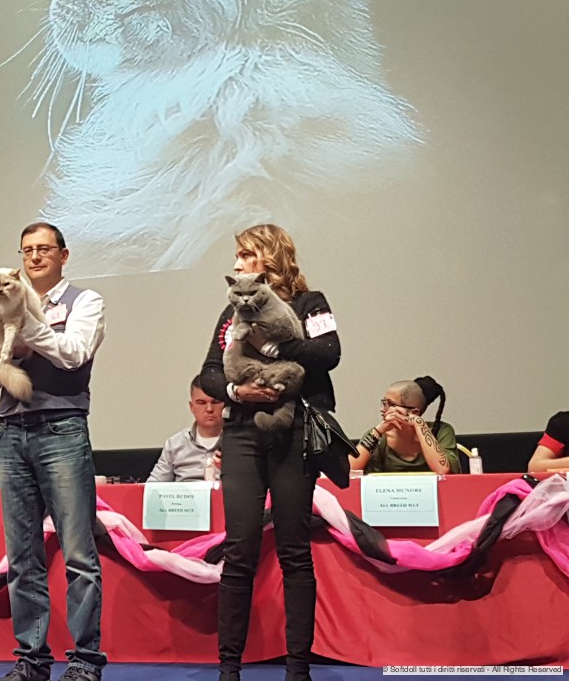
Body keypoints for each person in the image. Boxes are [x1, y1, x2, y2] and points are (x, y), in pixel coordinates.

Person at [200, 224, 340, 681]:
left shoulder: (310, 302)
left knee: (294, 550)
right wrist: (237, 392)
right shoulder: (232, 309)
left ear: (269, 256)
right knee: (239, 548)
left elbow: (329, 353)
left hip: (294, 431)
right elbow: (210, 372)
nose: (237, 263)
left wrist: (272, 344)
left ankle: (298, 669)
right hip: (242, 432)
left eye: (245, 254)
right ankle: (229, 670)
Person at [0, 222, 106, 681]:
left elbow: (74, 354)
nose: (34, 257)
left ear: (63, 255)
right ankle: (31, 660)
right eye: (27, 250)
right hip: (11, 430)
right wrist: (8, 345)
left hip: (62, 427)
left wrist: (25, 323)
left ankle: (85, 661)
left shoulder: (85, 301)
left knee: (78, 553)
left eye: (44, 249)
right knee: (21, 557)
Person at [349, 376, 460, 475]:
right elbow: (350, 470)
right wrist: (378, 431)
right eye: (384, 403)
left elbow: (442, 470)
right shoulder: (378, 435)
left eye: (391, 404)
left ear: (414, 412)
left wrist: (419, 424)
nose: (382, 409)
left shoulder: (442, 431)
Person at [147, 376, 225, 482]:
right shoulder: (175, 444)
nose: (209, 409)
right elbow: (153, 486)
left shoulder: (239, 442)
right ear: (191, 407)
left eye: (215, 402)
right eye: (201, 402)